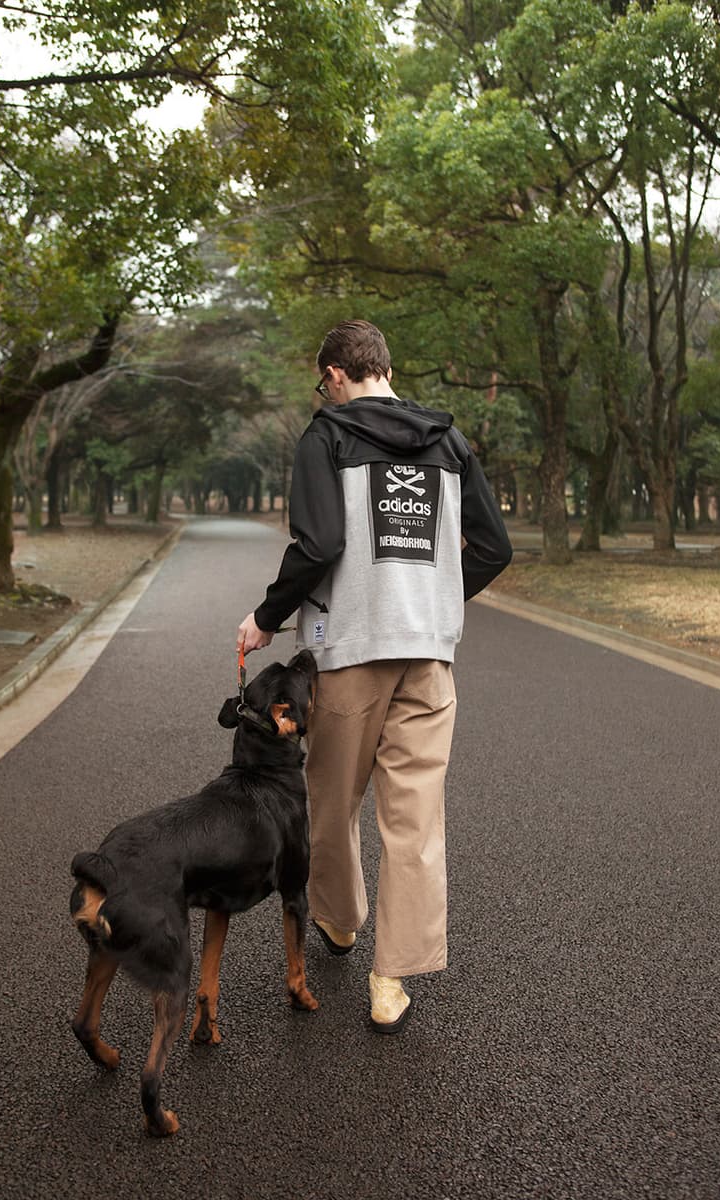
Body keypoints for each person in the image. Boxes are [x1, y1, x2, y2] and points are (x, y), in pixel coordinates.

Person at [237, 319, 512, 1033]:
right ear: (385, 367)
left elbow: (319, 543)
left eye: (321, 382)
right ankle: (392, 981)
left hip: (350, 651)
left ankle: (339, 918)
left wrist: (267, 616)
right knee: (415, 819)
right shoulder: (450, 442)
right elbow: (494, 548)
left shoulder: (325, 437)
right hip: (429, 654)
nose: (322, 392)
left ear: (335, 374)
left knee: (331, 801)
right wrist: (437, 597)